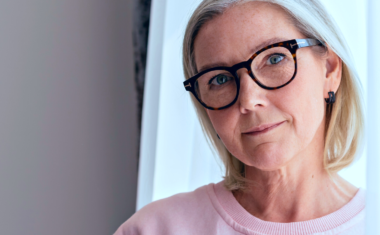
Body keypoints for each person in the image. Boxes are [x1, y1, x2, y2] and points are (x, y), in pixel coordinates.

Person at [114, 0, 365, 234]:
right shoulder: (155, 229)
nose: (248, 100)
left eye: (274, 59)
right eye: (220, 79)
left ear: (330, 69)